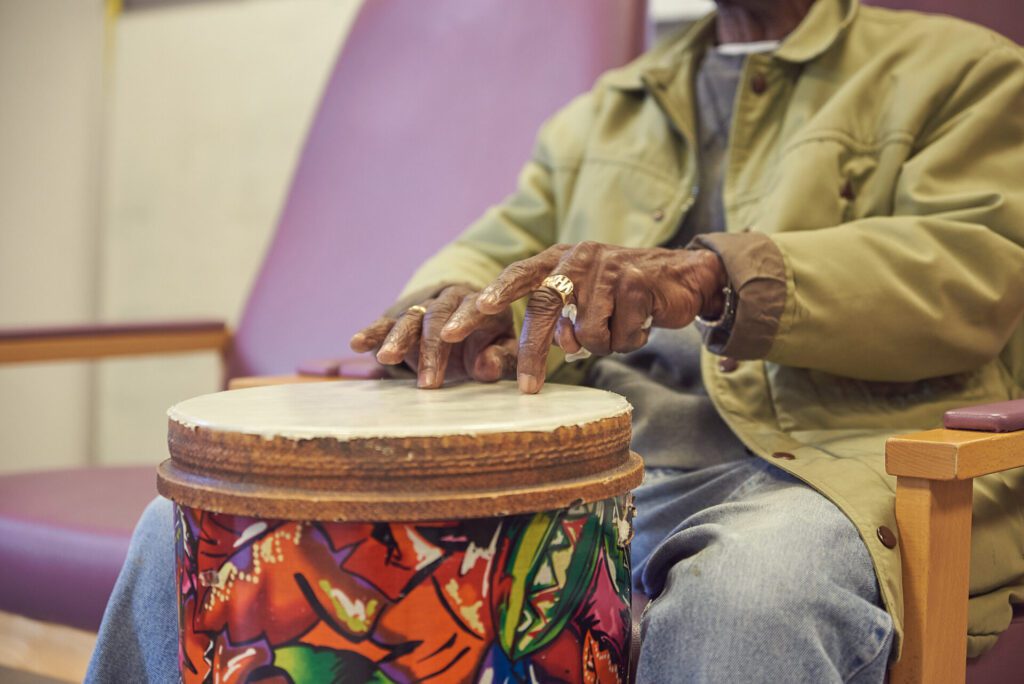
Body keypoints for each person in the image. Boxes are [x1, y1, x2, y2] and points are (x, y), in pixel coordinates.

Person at [87, 0, 1024, 681]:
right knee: (195, 529)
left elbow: (975, 272)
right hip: (602, 466)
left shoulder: (961, 70)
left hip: (831, 472)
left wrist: (706, 275)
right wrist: (451, 311)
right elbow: (493, 250)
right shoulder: (613, 105)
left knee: (746, 602)